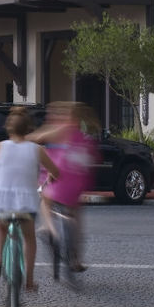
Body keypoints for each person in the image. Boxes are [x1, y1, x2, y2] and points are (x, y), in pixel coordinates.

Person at [0, 105, 59, 288]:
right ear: (29, 129)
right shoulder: (37, 149)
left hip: (2, 203)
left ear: (8, 128)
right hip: (26, 204)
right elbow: (56, 172)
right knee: (29, 238)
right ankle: (30, 281)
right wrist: (52, 176)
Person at [35, 100, 95, 285]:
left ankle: (48, 229)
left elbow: (34, 139)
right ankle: (75, 258)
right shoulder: (82, 134)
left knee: (45, 199)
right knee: (75, 214)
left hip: (56, 181)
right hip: (76, 184)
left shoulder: (59, 130)